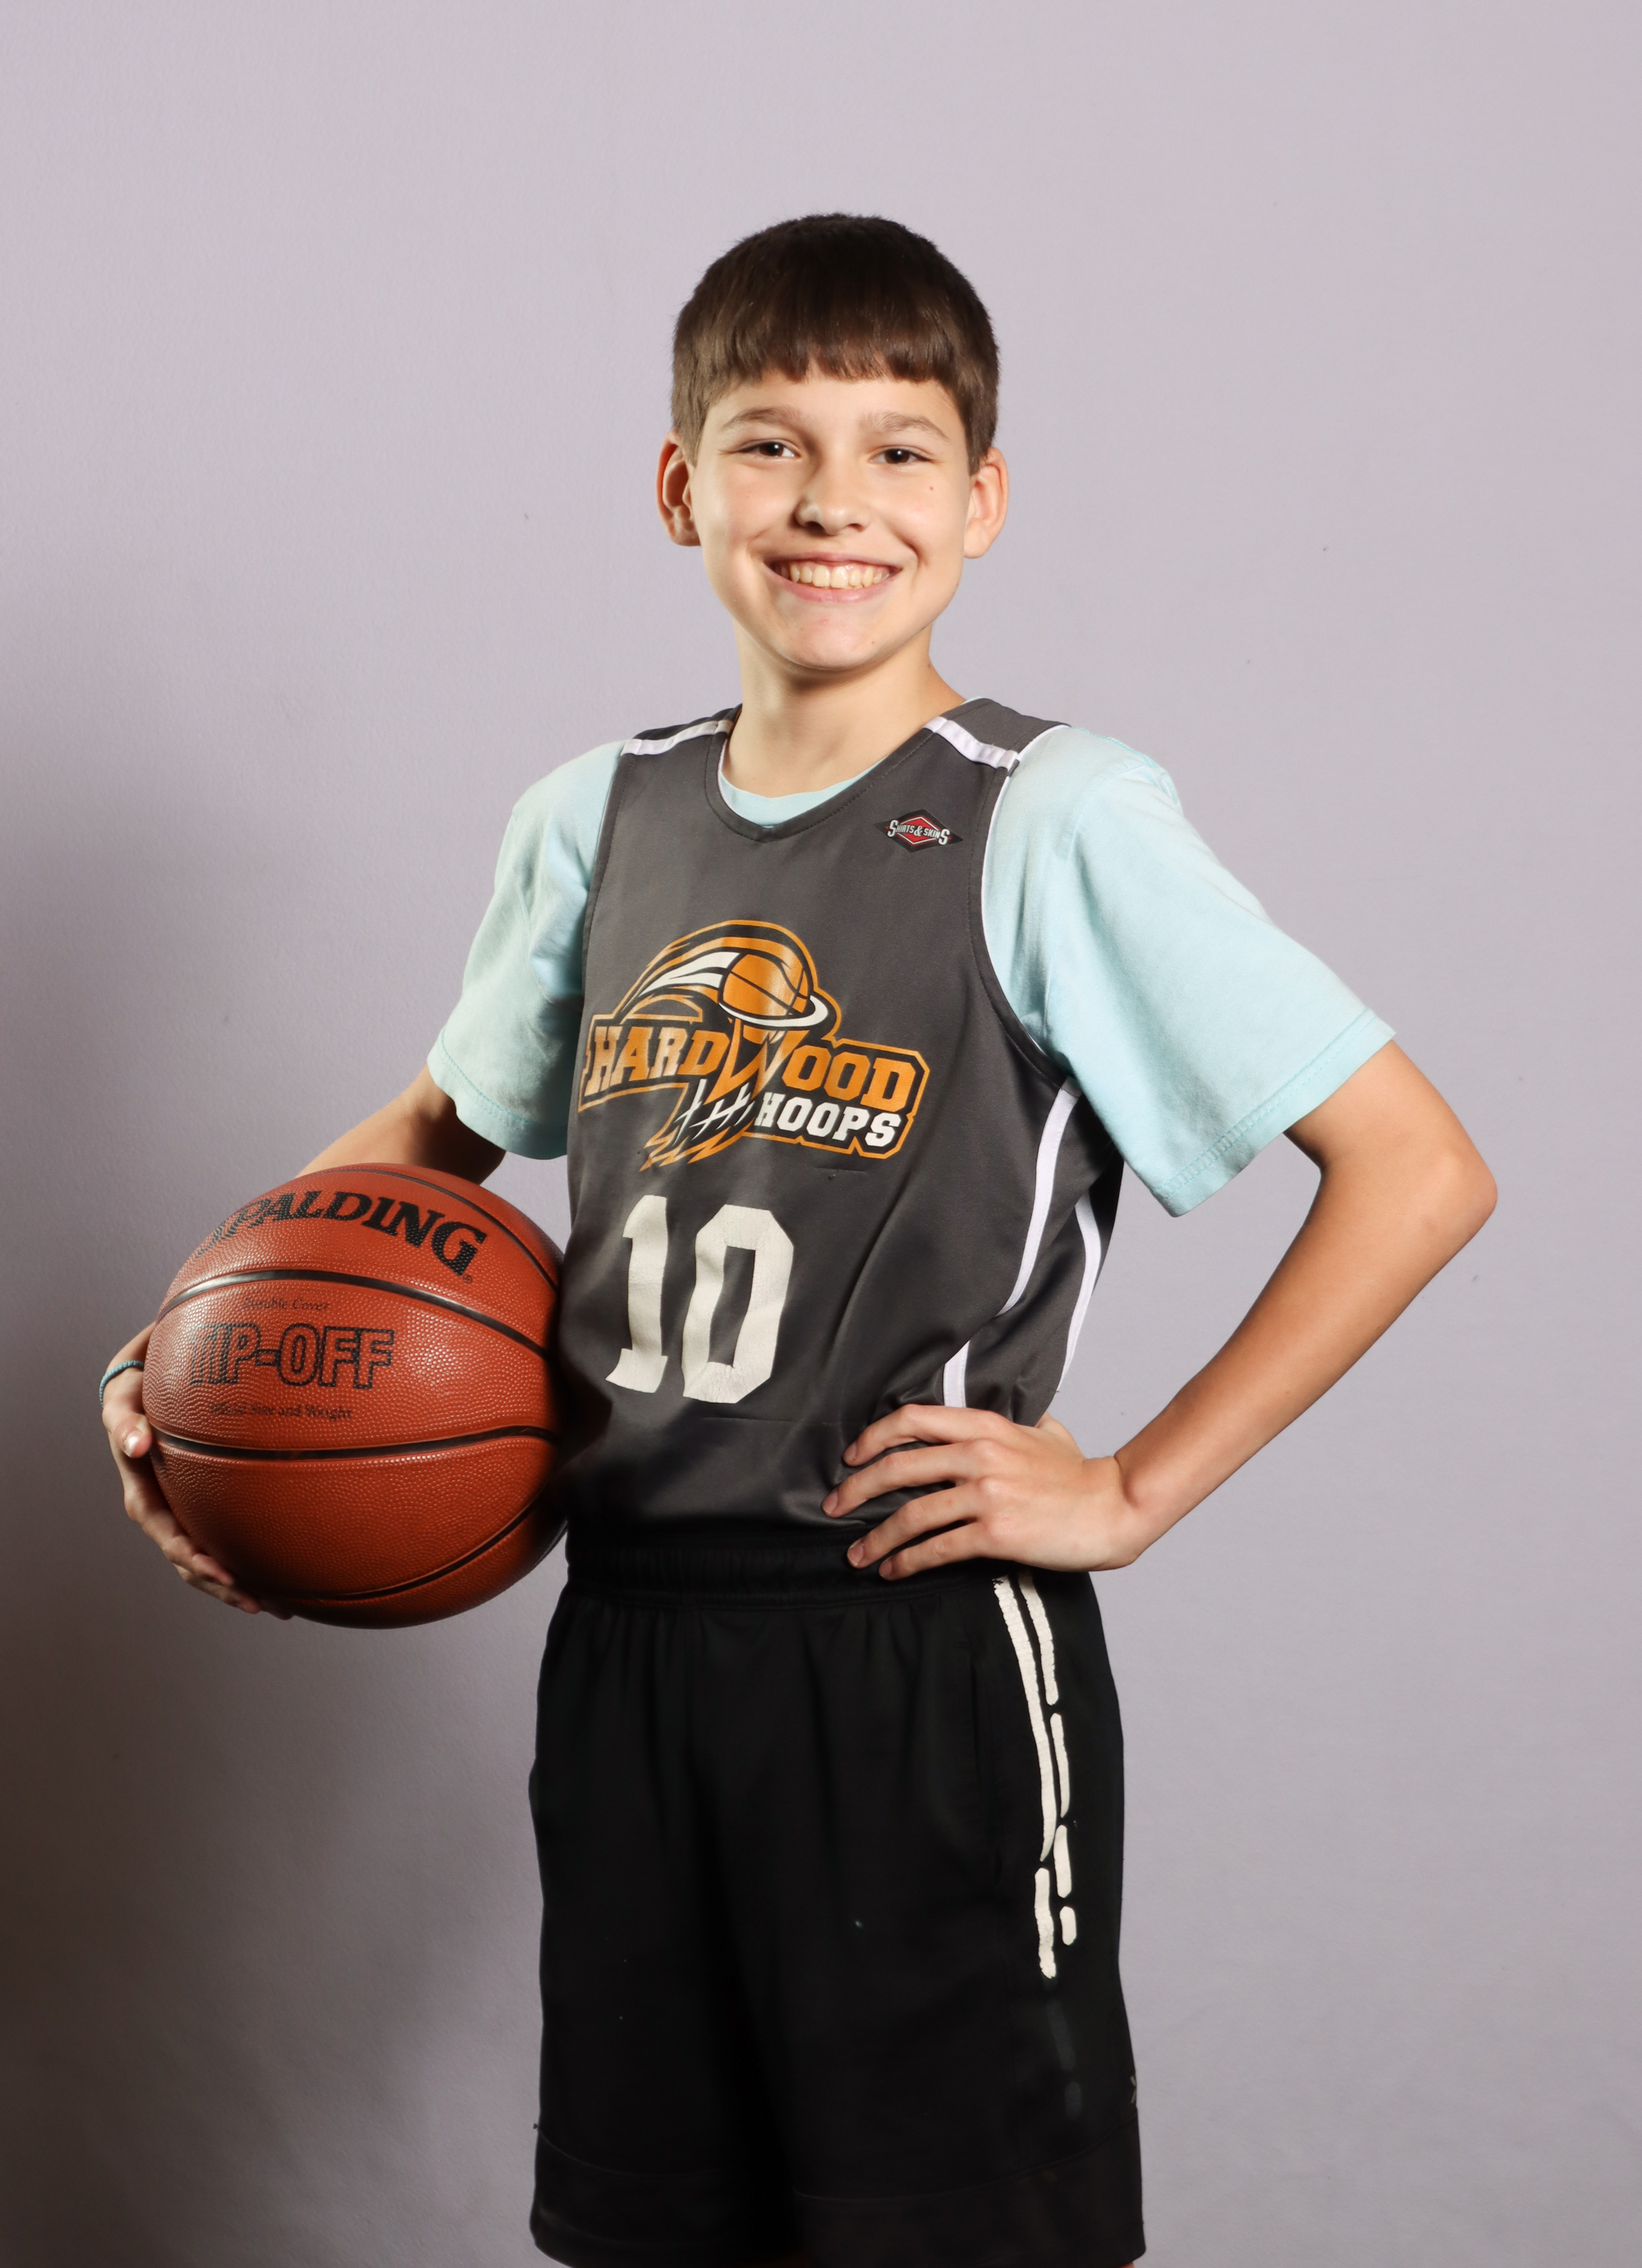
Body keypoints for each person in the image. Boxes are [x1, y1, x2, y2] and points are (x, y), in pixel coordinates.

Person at [103, 213, 1496, 2268]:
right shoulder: (598, 815)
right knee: (660, 2231)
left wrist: (1129, 1488)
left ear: (981, 499)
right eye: (771, 444)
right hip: (630, 1636)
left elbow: (1415, 1166)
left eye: (898, 450)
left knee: (950, 2235)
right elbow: (421, 1142)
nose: (835, 499)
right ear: (681, 486)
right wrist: (187, 1351)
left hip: (913, 1637)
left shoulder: (1051, 813)